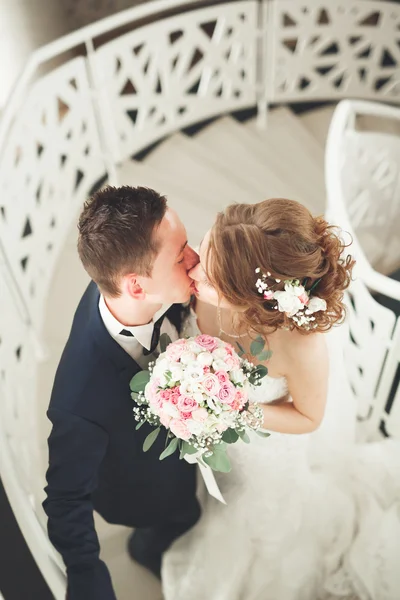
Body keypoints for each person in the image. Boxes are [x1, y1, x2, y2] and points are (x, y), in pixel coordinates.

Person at [162, 198, 400, 600]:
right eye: (205, 250)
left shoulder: (302, 347)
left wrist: (236, 409)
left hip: (269, 455)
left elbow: (309, 417)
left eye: (210, 276)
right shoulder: (216, 269)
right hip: (223, 446)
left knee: (267, 525)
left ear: (250, 298)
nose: (194, 269)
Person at [42, 186, 201, 600]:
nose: (195, 258)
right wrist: (88, 579)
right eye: (181, 252)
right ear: (135, 287)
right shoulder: (78, 399)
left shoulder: (127, 286)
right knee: (179, 517)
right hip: (145, 489)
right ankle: (147, 550)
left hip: (188, 445)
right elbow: (65, 500)